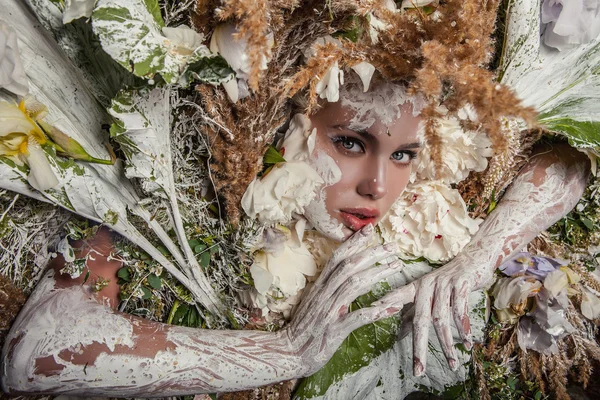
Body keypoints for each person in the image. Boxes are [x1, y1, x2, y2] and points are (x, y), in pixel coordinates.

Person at [1, 76, 591, 397]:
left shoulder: (431, 204)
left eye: (404, 154)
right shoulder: (162, 188)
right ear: (289, 123)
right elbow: (36, 353)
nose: (378, 186)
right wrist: (286, 351)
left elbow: (570, 161)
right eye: (352, 143)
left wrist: (481, 258)